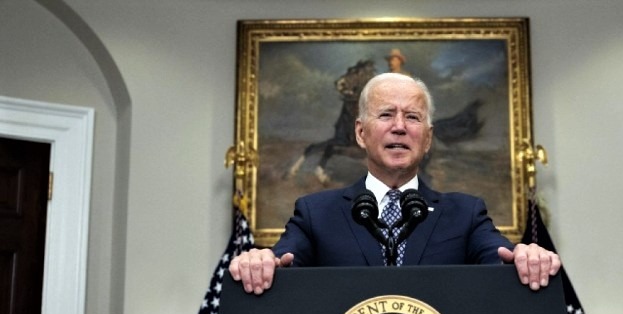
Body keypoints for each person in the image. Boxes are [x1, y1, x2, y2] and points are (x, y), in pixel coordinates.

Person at [229, 73, 560, 294]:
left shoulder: (466, 214)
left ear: (427, 139)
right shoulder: (316, 214)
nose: (399, 127)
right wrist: (260, 261)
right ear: (361, 133)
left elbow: (500, 257)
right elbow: (282, 259)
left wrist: (526, 257)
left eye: (413, 117)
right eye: (386, 115)